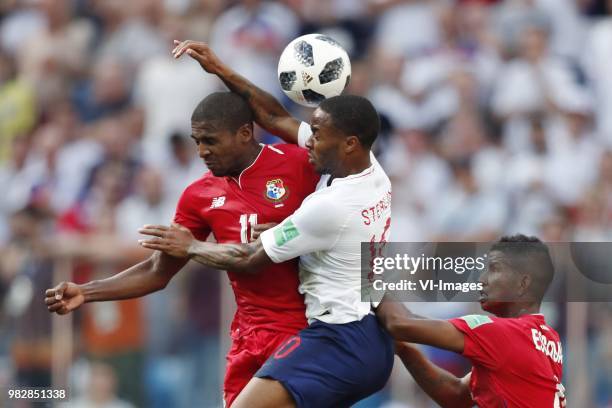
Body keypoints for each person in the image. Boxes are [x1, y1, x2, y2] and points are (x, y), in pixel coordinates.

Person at [45, 91, 321, 407]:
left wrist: (383, 307)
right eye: (197, 141)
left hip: (308, 330)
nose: (202, 151)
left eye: (211, 141)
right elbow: (157, 271)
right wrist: (86, 291)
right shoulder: (199, 195)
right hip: (249, 338)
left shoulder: (300, 163)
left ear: (245, 133)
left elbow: (359, 216)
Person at [138, 92, 394, 408]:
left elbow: (250, 258)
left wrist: (191, 246)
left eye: (316, 135)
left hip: (329, 335)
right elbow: (275, 117)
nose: (308, 142)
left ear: (350, 143)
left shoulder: (322, 199)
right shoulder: (375, 176)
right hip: (329, 332)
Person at [376, 235, 565, 408]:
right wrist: (405, 350)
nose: (482, 279)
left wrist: (367, 280)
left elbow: (398, 323)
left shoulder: (501, 333)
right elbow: (456, 396)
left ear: (522, 283)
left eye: (494, 269)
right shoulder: (548, 339)